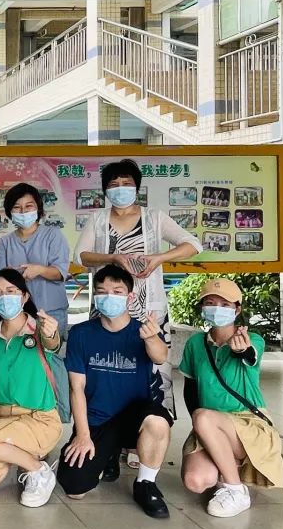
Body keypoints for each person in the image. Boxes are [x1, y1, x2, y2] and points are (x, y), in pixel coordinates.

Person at [75, 158, 202, 423]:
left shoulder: (154, 218)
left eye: (126, 183)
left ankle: (151, 427)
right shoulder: (98, 219)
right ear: (105, 190)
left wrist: (159, 258)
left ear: (137, 187)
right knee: (105, 366)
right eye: (114, 184)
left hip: (148, 308)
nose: (120, 188)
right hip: (108, 306)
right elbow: (81, 256)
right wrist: (113, 258)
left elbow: (193, 245)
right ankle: (104, 425)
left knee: (153, 366)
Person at [55, 265, 173, 518]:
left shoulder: (143, 330)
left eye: (117, 291)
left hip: (133, 416)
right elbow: (77, 387)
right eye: (102, 291)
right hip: (96, 420)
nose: (109, 296)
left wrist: (152, 338)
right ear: (95, 296)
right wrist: (82, 435)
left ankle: (146, 483)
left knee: (158, 422)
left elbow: (161, 357)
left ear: (129, 297)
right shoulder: (81, 334)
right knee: (75, 488)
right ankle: (107, 454)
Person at [180, 278, 283, 517]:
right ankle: (228, 465)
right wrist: (200, 430)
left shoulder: (252, 339)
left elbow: (249, 355)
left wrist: (241, 350)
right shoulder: (195, 343)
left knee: (203, 417)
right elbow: (190, 389)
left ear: (237, 310)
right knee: (196, 481)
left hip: (248, 423)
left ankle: (236, 490)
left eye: (225, 304)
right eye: (210, 302)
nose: (216, 309)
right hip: (209, 424)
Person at [0, 269, 62, 508]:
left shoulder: (39, 329)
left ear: (24, 296)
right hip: (2, 418)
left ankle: (38, 470)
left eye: (10, 291)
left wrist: (51, 333)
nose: (3, 297)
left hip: (38, 420)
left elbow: (52, 343)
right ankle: (23, 456)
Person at [0, 183, 72, 337]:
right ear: (10, 211)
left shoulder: (53, 235)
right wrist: (7, 275)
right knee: (21, 351)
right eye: (17, 207)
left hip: (51, 311)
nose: (23, 211)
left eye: (29, 206)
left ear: (38, 208)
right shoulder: (4, 242)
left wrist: (40, 270)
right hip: (17, 313)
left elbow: (60, 273)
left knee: (51, 350)